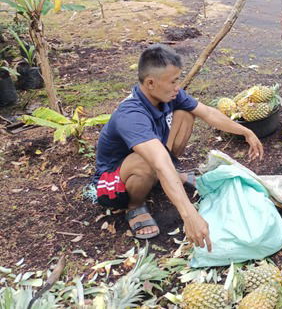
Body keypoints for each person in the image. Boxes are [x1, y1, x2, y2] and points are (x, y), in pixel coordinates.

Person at [93, 44, 264, 246]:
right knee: (150, 161)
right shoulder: (131, 116)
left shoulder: (170, 95)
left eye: (178, 80)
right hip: (112, 184)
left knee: (185, 114)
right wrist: (189, 215)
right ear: (150, 83)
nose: (178, 87)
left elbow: (207, 113)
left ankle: (161, 179)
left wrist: (246, 131)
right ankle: (134, 206)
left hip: (152, 161)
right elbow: (159, 161)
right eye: (173, 81)